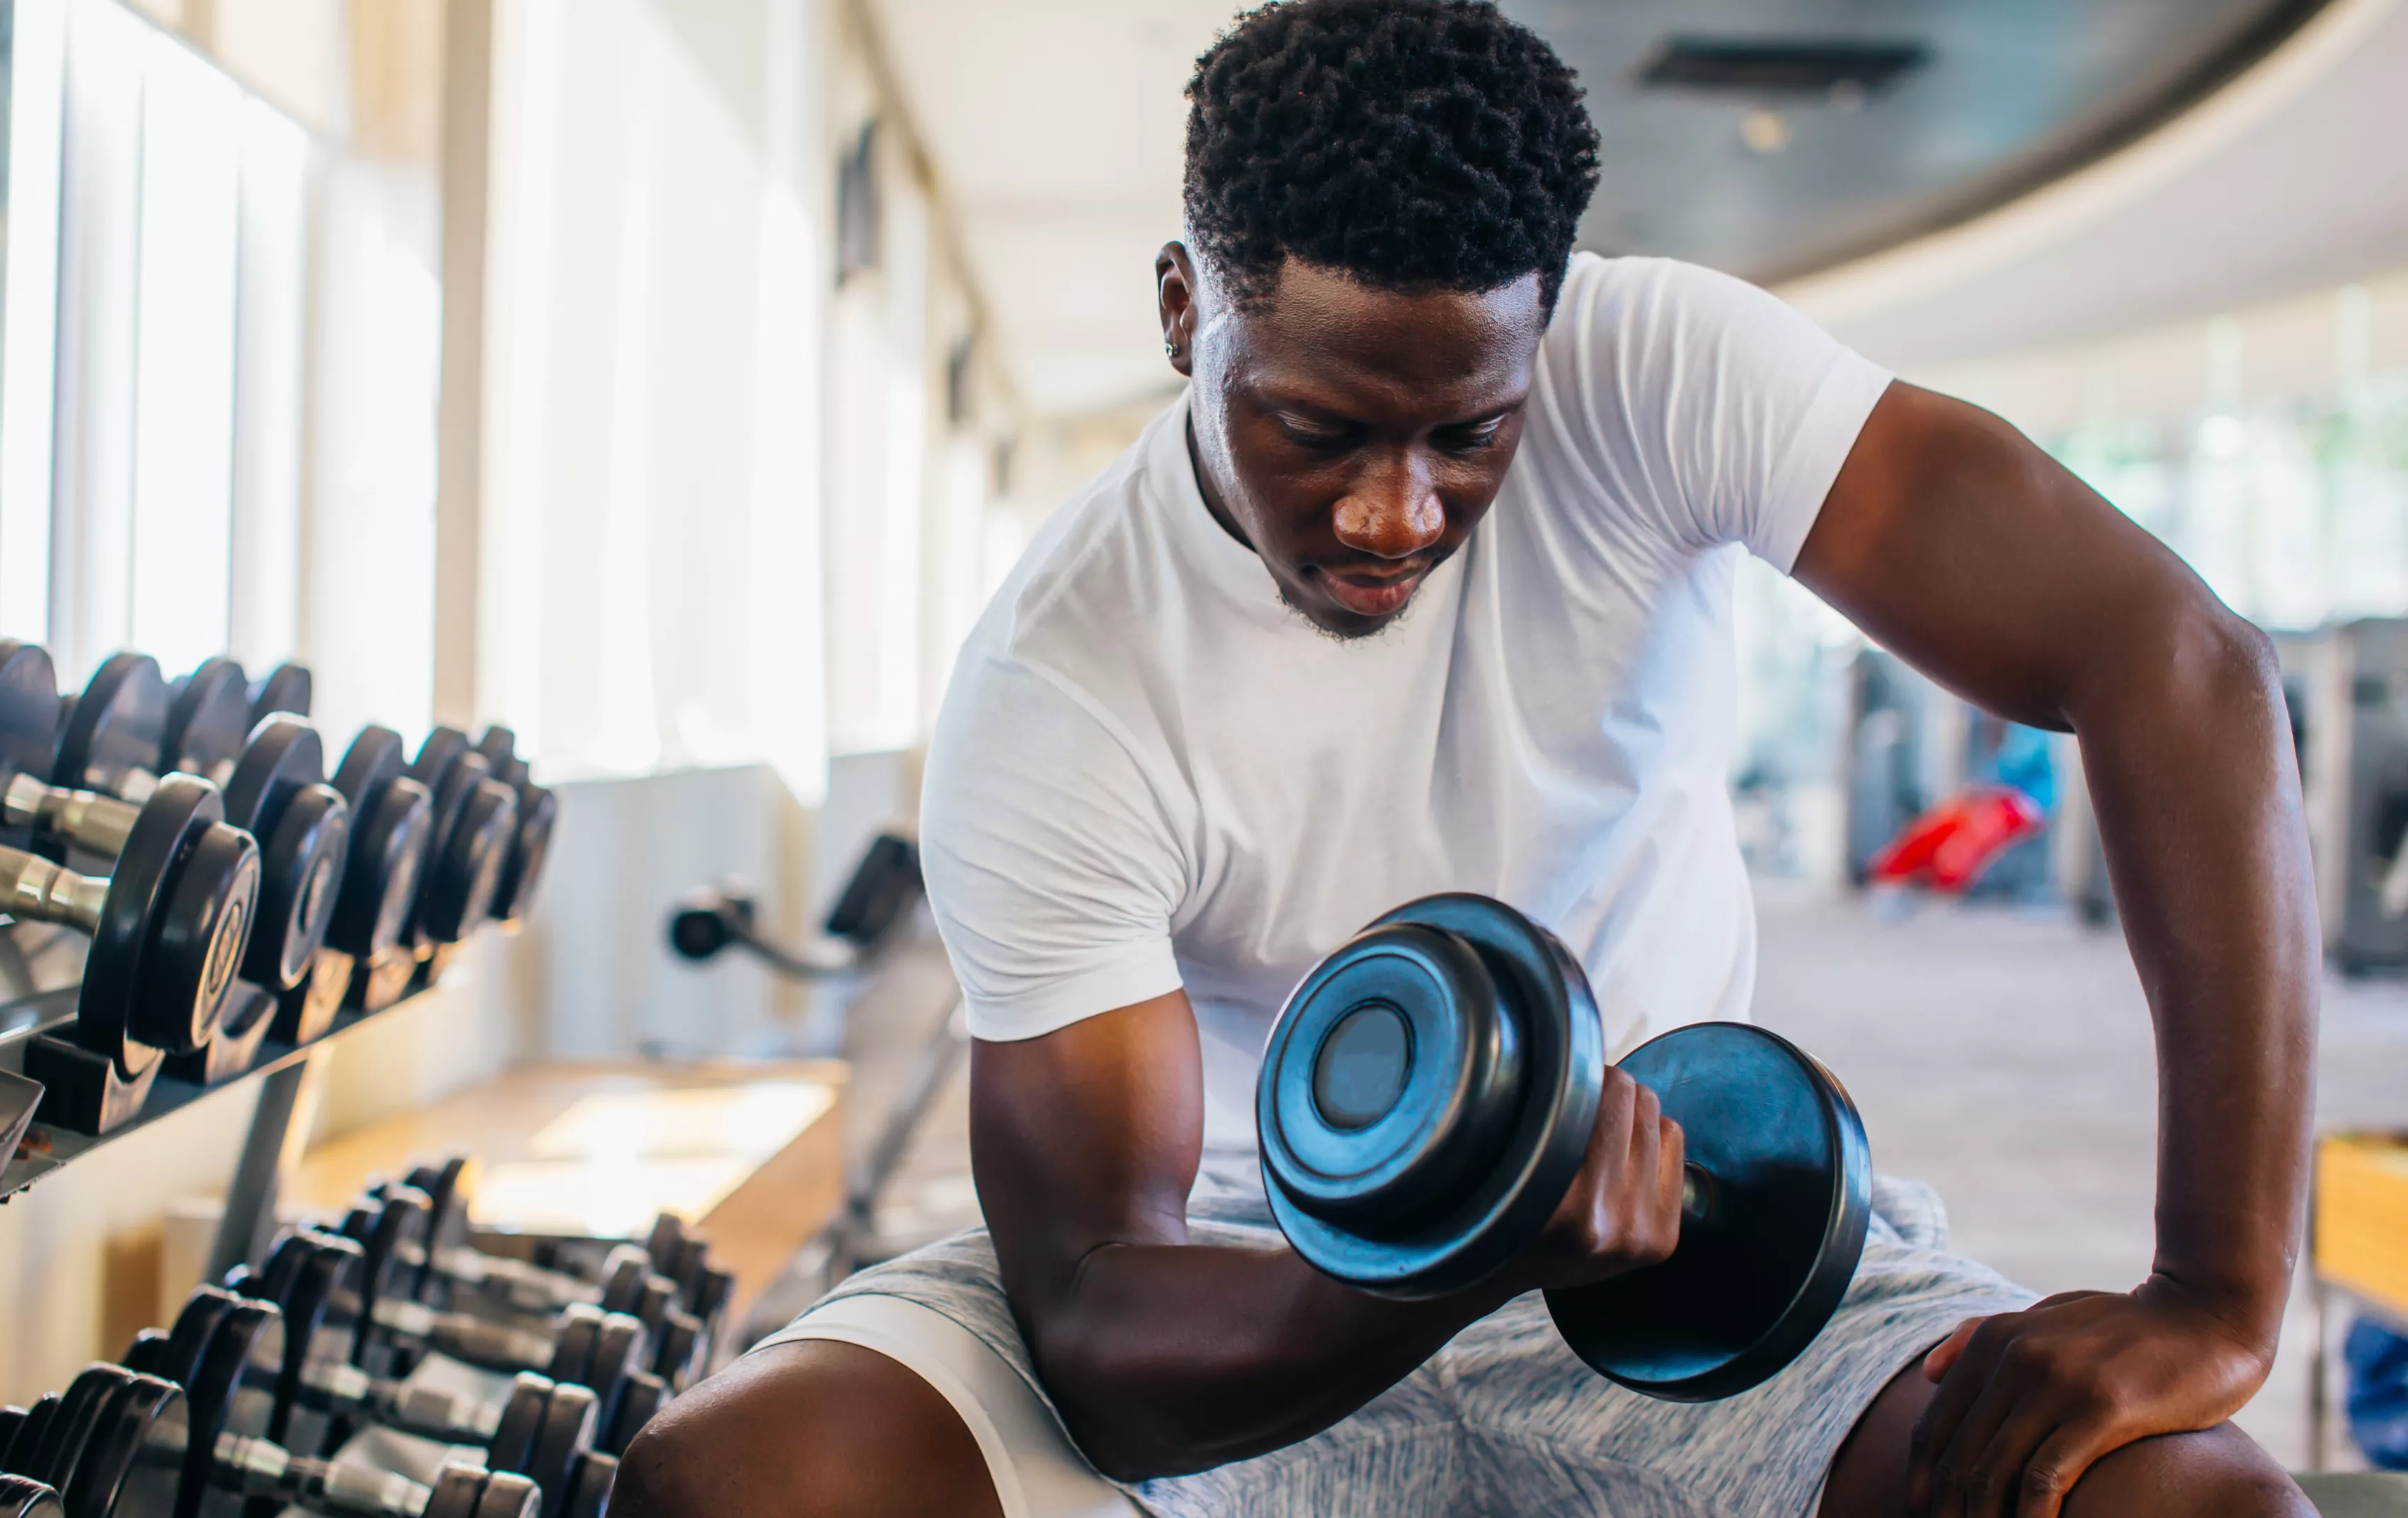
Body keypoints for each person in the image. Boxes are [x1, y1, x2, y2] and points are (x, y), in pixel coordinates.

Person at [609, 2, 2317, 1514]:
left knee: (2193, 1505)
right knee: (757, 1477)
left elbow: (2179, 664)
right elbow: (1104, 1332)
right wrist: (1480, 1237)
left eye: (1468, 434)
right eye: (1319, 426)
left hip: (1682, 1251)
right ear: (1183, 307)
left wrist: (2219, 1295)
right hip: (1237, 1296)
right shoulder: (1062, 682)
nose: (1393, 512)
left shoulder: (1665, 371)